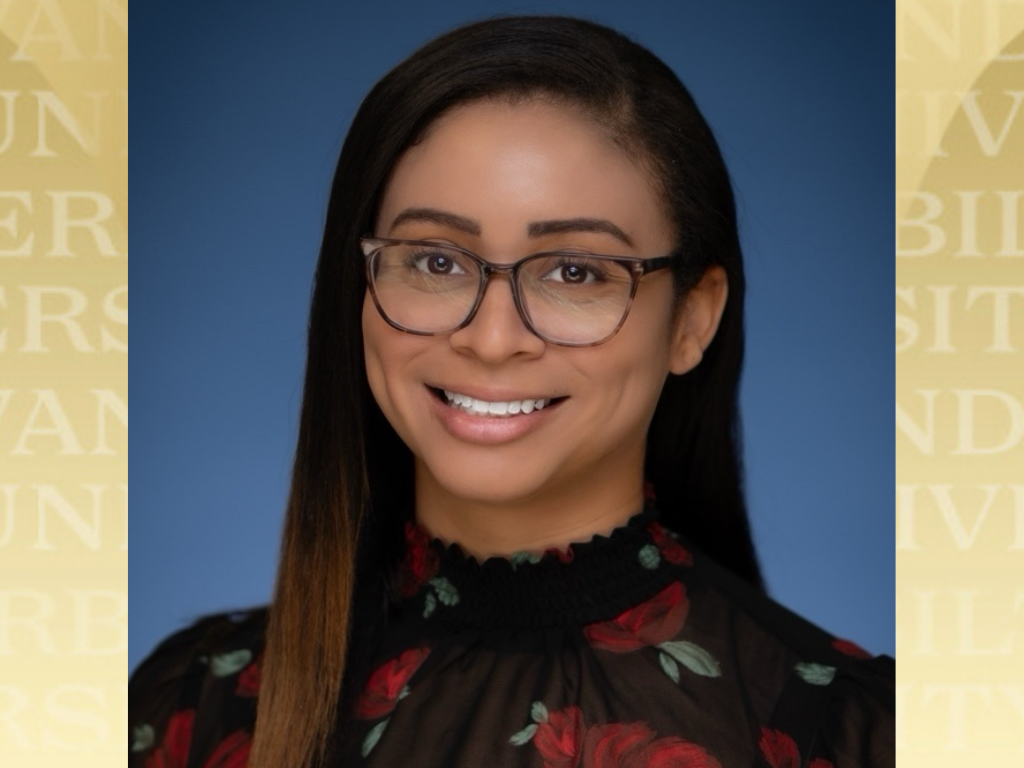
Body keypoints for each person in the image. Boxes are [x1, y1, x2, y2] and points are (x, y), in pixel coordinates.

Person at [129, 16, 894, 768]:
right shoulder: (193, 708)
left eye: (575, 272)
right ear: (357, 284)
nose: (492, 339)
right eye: (433, 261)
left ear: (693, 318)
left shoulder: (851, 734)